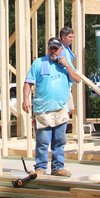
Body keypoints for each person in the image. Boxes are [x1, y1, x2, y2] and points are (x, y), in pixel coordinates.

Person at [22, 37, 81, 177]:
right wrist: (25, 100)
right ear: (48, 49)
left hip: (60, 109)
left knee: (59, 141)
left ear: (61, 49)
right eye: (51, 48)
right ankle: (41, 167)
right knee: (42, 141)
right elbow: (28, 83)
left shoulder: (65, 64)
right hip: (43, 110)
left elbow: (77, 79)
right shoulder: (39, 63)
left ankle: (57, 167)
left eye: (56, 48)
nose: (53, 51)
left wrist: (67, 65)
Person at [58, 26, 77, 115]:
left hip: (68, 84)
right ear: (63, 37)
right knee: (67, 109)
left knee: (70, 109)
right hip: (63, 84)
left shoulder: (66, 49)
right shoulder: (60, 49)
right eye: (70, 37)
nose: (72, 39)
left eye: (72, 37)